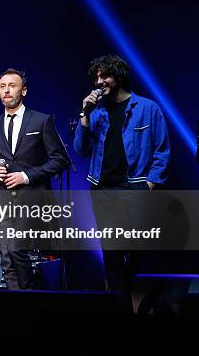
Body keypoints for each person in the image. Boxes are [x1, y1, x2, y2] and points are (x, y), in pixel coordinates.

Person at [74, 54, 170, 310]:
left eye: (104, 75)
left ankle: (134, 300)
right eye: (96, 76)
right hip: (102, 190)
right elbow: (80, 150)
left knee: (137, 252)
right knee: (112, 256)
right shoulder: (96, 112)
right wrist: (84, 115)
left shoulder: (148, 108)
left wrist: (150, 184)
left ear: (118, 76)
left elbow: (162, 151)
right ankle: (123, 316)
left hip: (134, 188)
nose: (99, 81)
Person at [0, 68, 70, 290]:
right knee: (5, 254)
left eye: (12, 86)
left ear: (23, 91)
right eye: (2, 86)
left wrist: (26, 176)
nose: (6, 90)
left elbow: (61, 160)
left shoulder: (41, 121)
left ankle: (29, 296)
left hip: (33, 197)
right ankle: (20, 302)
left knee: (16, 248)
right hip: (5, 199)